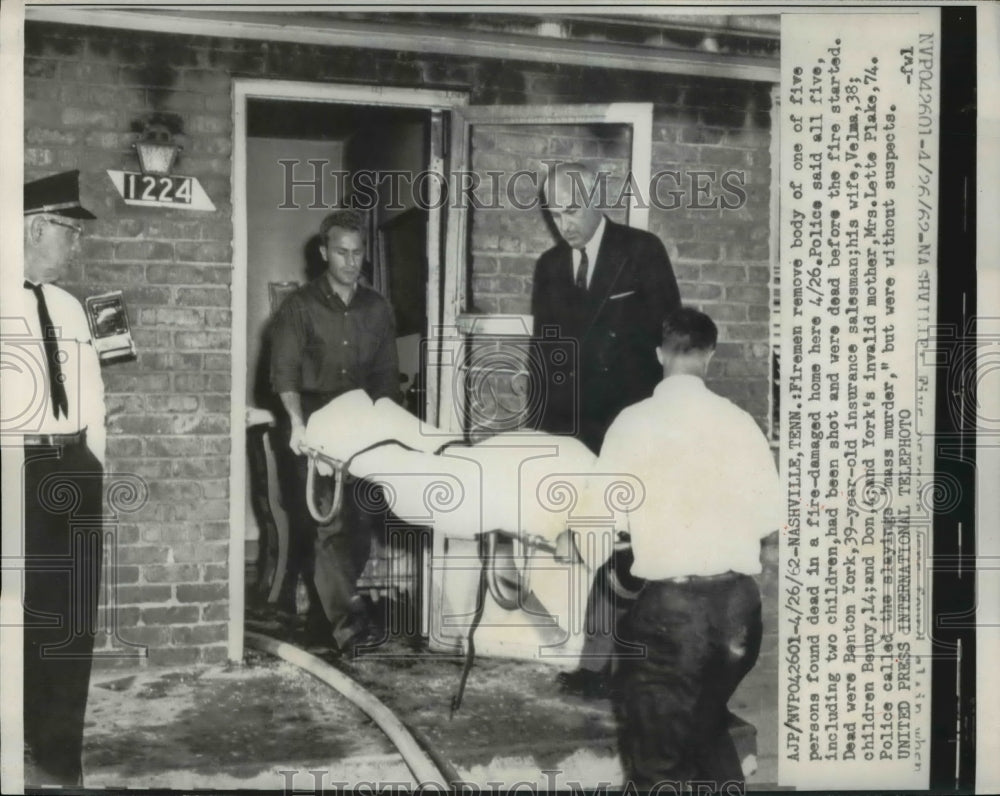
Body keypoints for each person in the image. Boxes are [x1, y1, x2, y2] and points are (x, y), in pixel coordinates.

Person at [599, 307, 782, 789]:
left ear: (660, 354)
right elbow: (769, 519)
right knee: (705, 730)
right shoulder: (741, 423)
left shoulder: (631, 424)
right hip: (739, 619)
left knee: (658, 765)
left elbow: (606, 523)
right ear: (709, 355)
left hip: (672, 619)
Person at [531, 161, 680, 697]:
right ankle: (596, 665)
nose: (561, 223)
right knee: (590, 543)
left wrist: (667, 421)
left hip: (634, 429)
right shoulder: (549, 266)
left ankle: (630, 665)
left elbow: (673, 346)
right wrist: (540, 434)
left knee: (635, 547)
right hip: (576, 432)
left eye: (570, 209)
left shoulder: (642, 253)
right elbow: (542, 357)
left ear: (598, 200)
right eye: (553, 212)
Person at [269, 209, 400, 654]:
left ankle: (323, 623)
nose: (350, 261)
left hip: (360, 423)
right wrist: (296, 425)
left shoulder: (377, 308)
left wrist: (389, 432)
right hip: (314, 423)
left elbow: (385, 375)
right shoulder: (299, 306)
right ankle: (351, 627)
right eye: (341, 252)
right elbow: (283, 372)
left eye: (357, 252)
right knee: (327, 522)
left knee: (359, 526)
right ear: (324, 252)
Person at [17, 171, 106, 787]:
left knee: (71, 614)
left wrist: (94, 461)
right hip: (13, 468)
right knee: (18, 613)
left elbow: (93, 397)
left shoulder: (72, 308)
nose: (78, 247)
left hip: (73, 467)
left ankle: (58, 754)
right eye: (70, 232)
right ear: (35, 228)